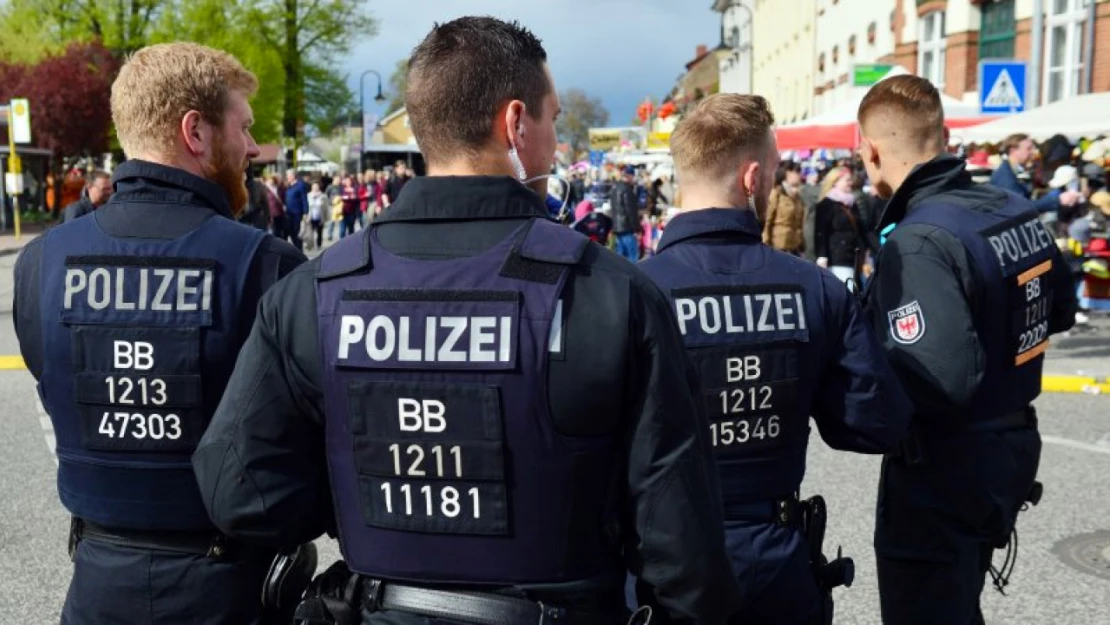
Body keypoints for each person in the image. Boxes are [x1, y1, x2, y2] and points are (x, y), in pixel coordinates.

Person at [192, 16, 739, 625]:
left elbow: (238, 488)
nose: (555, 143)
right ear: (515, 124)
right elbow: (682, 545)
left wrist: (358, 488)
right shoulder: (610, 292)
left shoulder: (313, 292)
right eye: (553, 120)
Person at [11, 42, 306, 624]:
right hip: (232, 593)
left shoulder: (40, 263)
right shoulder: (268, 265)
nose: (251, 148)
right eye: (243, 127)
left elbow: (57, 407)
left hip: (96, 587)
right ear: (195, 131)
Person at [638, 93, 912, 625]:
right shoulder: (814, 288)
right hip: (776, 565)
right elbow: (876, 423)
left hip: (662, 567)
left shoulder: (629, 291)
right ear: (753, 178)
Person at [856, 75, 1078, 625]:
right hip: (1009, 448)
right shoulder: (1008, 203)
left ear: (871, 151)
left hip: (944, 471)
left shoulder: (920, 239)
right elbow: (1062, 310)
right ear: (945, 134)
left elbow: (937, 380)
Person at [989, 133, 1082, 215]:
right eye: (1029, 148)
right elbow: (1021, 210)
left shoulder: (1014, 170)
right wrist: (1057, 200)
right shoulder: (1005, 176)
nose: (1034, 151)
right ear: (1013, 150)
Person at [815, 167, 875, 285]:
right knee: (847, 291)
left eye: (850, 180)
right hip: (837, 258)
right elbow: (821, 232)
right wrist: (822, 256)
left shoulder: (851, 203)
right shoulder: (826, 204)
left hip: (855, 257)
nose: (850, 183)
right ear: (835, 182)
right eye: (847, 180)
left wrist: (870, 248)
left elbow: (861, 230)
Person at [762, 161, 805, 255]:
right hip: (777, 247)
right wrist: (765, 245)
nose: (799, 175)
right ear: (786, 173)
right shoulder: (776, 194)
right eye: (796, 172)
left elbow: (799, 223)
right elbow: (767, 221)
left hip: (794, 247)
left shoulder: (797, 196)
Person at [610, 165, 641, 261]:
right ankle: (633, 276)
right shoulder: (627, 190)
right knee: (633, 256)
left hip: (617, 226)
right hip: (627, 227)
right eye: (632, 176)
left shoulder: (614, 188)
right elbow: (631, 211)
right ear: (629, 176)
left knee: (620, 257)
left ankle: (618, 275)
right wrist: (637, 228)